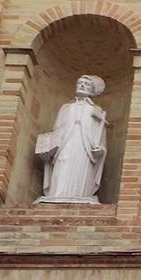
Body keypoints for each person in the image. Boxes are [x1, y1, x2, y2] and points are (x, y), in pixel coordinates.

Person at [36, 74, 109, 203]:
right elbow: (56, 129)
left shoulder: (97, 110)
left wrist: (101, 150)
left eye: (86, 84)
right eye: (80, 83)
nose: (82, 85)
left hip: (85, 148)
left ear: (92, 90)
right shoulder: (66, 108)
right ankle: (57, 195)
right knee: (62, 165)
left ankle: (81, 195)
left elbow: (101, 137)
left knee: (80, 170)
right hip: (65, 144)